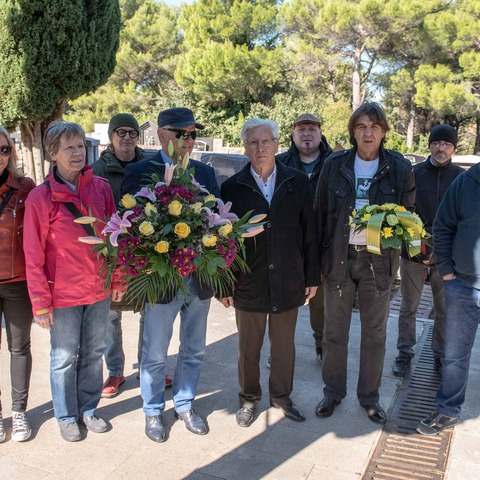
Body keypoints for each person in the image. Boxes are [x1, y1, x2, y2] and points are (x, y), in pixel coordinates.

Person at [122, 107, 219, 443]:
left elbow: (219, 223)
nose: (190, 140)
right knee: (154, 352)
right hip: (160, 279)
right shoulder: (140, 170)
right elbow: (130, 226)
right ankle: (152, 411)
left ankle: (185, 404)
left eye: (193, 134)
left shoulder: (206, 173)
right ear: (162, 134)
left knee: (193, 349)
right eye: (183, 133)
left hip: (198, 280)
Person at [24, 120, 125, 442]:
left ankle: (88, 408)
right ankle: (66, 415)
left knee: (94, 351)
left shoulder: (100, 188)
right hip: (63, 295)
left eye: (80, 145)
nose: (77, 152)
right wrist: (40, 303)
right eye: (69, 147)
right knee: (64, 357)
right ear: (53, 153)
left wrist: (118, 278)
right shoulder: (40, 198)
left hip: (97, 290)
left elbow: (114, 236)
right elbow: (33, 255)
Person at [314, 102, 415, 424]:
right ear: (353, 131)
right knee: (333, 333)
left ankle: (370, 397)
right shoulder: (335, 164)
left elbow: (409, 220)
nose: (368, 132)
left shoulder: (399, 167)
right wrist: (318, 262)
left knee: (374, 334)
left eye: (374, 126)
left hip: (379, 263)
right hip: (339, 260)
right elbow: (319, 215)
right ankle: (332, 393)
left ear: (384, 131)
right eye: (361, 126)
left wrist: (398, 243)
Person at [219, 118, 320, 428]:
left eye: (266, 141)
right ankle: (249, 398)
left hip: (289, 278)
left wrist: (312, 277)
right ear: (245, 147)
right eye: (253, 142)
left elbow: (310, 232)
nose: (260, 147)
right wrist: (223, 284)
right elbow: (222, 241)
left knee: (284, 345)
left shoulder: (297, 181)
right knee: (248, 348)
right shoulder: (232, 186)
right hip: (249, 282)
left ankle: (282, 396)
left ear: (277, 144)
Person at [92, 113, 173, 398]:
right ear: (111, 137)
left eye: (132, 133)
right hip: (111, 252)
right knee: (110, 318)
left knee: (149, 312)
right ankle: (115, 370)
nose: (127, 138)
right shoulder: (97, 169)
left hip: (144, 251)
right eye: (121, 133)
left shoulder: (150, 165)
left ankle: (147, 366)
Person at [393, 125, 463, 378]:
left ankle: (439, 354)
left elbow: (464, 216)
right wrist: (416, 243)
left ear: (454, 147)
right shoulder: (413, 173)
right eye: (436, 143)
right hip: (413, 251)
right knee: (408, 306)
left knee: (444, 309)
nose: (441, 147)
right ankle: (404, 353)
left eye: (446, 143)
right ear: (430, 145)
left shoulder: (461, 177)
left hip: (447, 256)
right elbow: (402, 211)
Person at [417, 161, 480, 436]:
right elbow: (443, 226)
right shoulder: (466, 183)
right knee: (454, 356)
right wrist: (446, 270)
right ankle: (448, 410)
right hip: (463, 286)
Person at [276, 113, 332, 363]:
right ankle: (279, 351)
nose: (306, 134)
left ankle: (322, 345)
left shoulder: (335, 162)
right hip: (288, 244)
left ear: (320, 134)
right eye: (301, 130)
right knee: (282, 301)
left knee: (319, 302)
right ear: (293, 134)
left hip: (321, 243)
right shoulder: (280, 162)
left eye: (312, 129)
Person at [0, 127, 36, 443]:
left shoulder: (25, 188)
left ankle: (19, 411)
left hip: (18, 282)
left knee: (19, 347)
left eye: (3, 149)